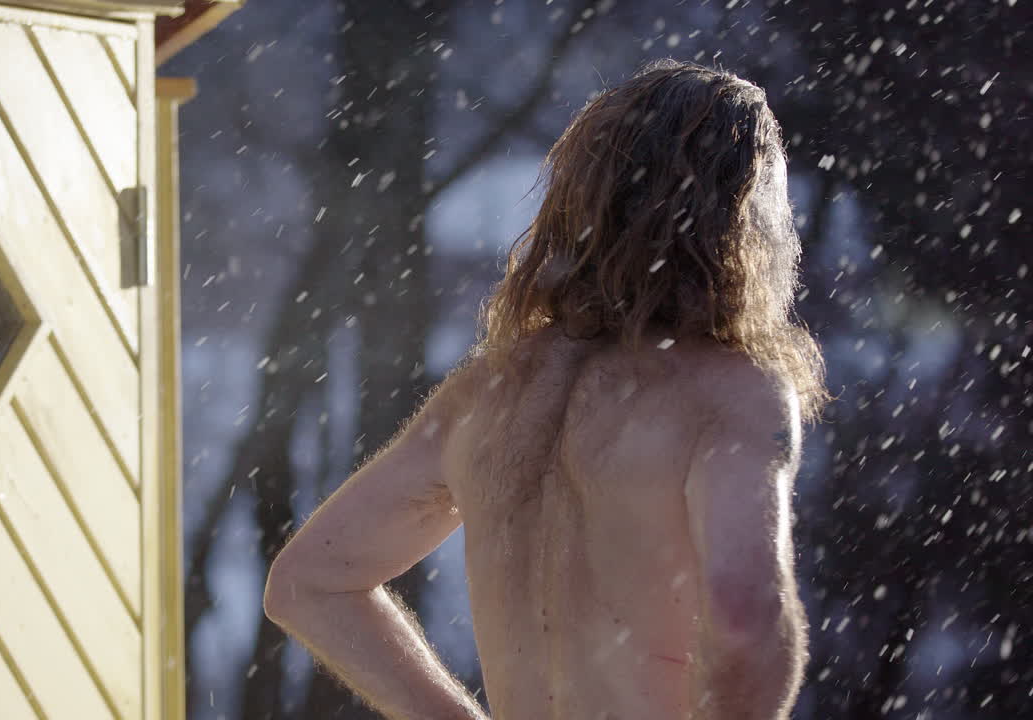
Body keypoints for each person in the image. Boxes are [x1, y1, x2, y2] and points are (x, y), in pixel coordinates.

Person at [262, 58, 831, 720]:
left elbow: (310, 584)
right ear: (741, 215)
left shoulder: (491, 388)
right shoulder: (733, 394)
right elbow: (742, 619)